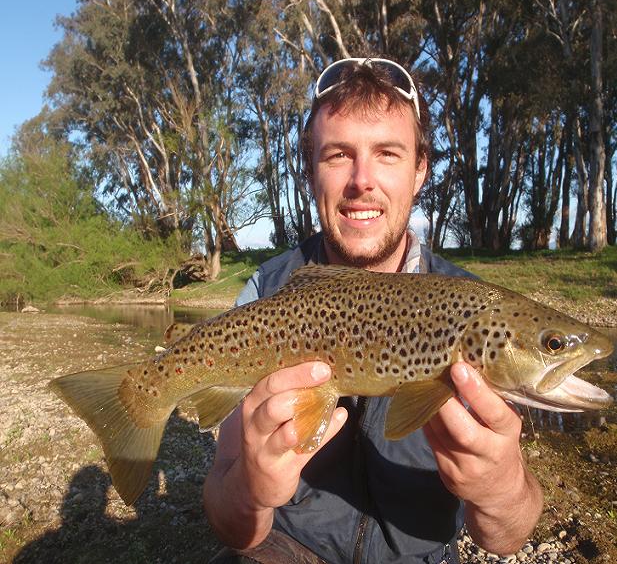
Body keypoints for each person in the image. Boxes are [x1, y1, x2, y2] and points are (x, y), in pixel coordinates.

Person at [203, 57, 543, 564]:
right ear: (311, 169)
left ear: (420, 169)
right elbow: (233, 526)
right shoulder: (268, 291)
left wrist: (503, 491)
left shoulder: (480, 313)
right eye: (339, 154)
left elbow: (505, 538)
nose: (362, 180)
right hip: (291, 547)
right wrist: (250, 489)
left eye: (387, 153)